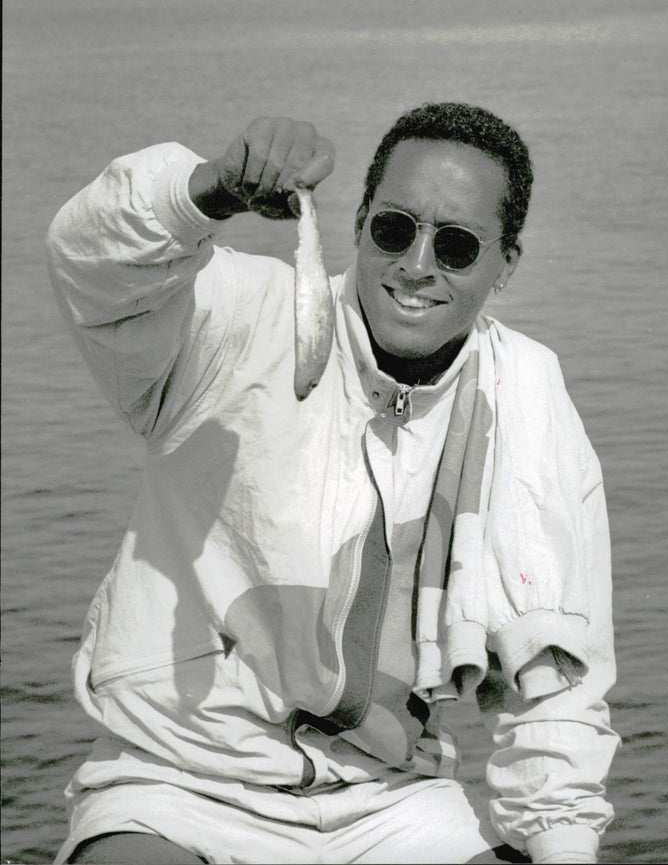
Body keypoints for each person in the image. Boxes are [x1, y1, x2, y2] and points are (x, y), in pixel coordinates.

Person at [46, 103, 618, 865]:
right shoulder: (239, 318)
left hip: (393, 803)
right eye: (393, 228)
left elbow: (558, 676)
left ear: (505, 263)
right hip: (176, 787)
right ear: (356, 223)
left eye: (455, 245)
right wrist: (204, 192)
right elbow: (89, 263)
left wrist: (565, 845)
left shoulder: (526, 392)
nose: (416, 264)